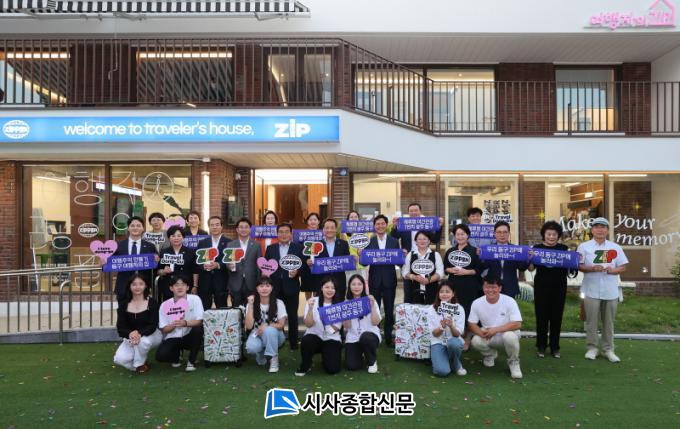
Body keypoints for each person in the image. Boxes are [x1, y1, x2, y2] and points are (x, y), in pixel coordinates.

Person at [577, 217, 628, 363]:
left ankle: (608, 350)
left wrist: (612, 270)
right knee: (591, 321)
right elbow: (579, 265)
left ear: (607, 230)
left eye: (603, 227)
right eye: (597, 226)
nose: (600, 229)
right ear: (592, 230)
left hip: (610, 290)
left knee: (609, 322)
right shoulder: (584, 247)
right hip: (590, 289)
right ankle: (592, 348)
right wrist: (592, 268)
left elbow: (623, 266)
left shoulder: (615, 247)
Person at [529, 220, 571, 358]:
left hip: (559, 287)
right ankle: (541, 346)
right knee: (541, 316)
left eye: (554, 234)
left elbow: (570, 267)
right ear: (544, 234)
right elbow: (531, 269)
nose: (551, 237)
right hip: (541, 286)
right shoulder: (537, 248)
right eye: (549, 234)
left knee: (556, 317)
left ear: (558, 235)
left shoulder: (564, 249)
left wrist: (575, 259)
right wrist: (530, 259)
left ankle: (555, 347)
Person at [468, 276, 523, 379]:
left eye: (493, 287)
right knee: (475, 341)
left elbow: (517, 324)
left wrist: (495, 330)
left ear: (500, 288)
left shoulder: (509, 301)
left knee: (510, 337)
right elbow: (471, 324)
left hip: (507, 333)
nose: (490, 290)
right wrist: (482, 334)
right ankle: (490, 355)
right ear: (483, 288)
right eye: (487, 287)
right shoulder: (477, 303)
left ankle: (513, 362)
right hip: (488, 334)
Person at [265, 223, 304, 350]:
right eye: (281, 232)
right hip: (275, 288)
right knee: (276, 315)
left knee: (292, 316)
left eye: (286, 231)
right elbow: (266, 267)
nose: (284, 234)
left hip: (291, 286)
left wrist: (297, 272)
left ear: (291, 234)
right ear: (277, 234)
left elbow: (304, 266)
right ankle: (278, 341)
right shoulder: (271, 248)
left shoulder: (298, 248)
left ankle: (294, 343)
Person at [443, 223, 482, 351]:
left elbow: (479, 269)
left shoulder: (475, 251)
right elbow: (445, 268)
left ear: (468, 235)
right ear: (454, 236)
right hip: (454, 286)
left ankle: (468, 338)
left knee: (469, 311)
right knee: (454, 310)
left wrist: (467, 271)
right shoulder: (450, 251)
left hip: (470, 286)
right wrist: (451, 269)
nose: (460, 236)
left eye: (462, 234)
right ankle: (456, 335)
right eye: (457, 234)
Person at [113, 275, 162, 373]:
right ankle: (139, 366)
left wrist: (139, 334)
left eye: (141, 284)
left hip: (151, 336)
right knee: (119, 359)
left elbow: (153, 325)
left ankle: (139, 364)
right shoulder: (124, 304)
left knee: (143, 342)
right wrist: (130, 334)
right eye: (134, 284)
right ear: (129, 286)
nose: (137, 287)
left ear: (146, 286)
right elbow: (120, 328)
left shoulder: (152, 303)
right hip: (131, 337)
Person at [364, 214, 400, 346]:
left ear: (386, 225)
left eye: (382, 223)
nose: (380, 226)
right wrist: (361, 254)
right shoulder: (369, 241)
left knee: (389, 310)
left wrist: (403, 255)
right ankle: (375, 335)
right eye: (377, 224)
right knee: (375, 309)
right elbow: (364, 262)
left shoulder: (394, 241)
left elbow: (398, 260)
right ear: (374, 226)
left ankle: (389, 337)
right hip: (374, 280)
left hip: (389, 280)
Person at [295, 277, 343, 376]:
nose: (330, 290)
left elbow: (336, 328)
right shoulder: (313, 301)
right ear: (321, 288)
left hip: (331, 338)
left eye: (333, 288)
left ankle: (326, 356)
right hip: (314, 336)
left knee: (332, 369)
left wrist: (326, 318)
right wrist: (310, 309)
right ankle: (306, 364)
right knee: (307, 340)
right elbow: (308, 324)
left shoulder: (339, 304)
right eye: (327, 287)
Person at [155, 274, 204, 372]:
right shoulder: (165, 305)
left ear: (188, 287)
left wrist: (185, 323)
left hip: (189, 335)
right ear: (171, 288)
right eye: (176, 285)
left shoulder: (195, 299)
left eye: (183, 284)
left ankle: (191, 361)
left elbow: (200, 321)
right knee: (160, 356)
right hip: (173, 336)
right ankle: (176, 357)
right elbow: (164, 329)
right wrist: (174, 324)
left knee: (197, 330)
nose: (180, 287)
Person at [245, 277, 287, 373]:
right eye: (261, 286)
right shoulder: (251, 303)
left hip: (276, 335)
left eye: (267, 286)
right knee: (251, 347)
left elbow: (281, 325)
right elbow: (249, 326)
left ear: (271, 288)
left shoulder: (278, 303)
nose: (264, 289)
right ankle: (261, 353)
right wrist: (250, 305)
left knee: (269, 330)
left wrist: (267, 326)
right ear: (257, 288)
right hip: (257, 333)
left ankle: (273, 358)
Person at [112, 216, 158, 304]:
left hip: (143, 287)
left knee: (142, 312)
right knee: (123, 311)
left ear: (143, 228)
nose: (135, 228)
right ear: (128, 228)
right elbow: (109, 263)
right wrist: (103, 261)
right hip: (123, 286)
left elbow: (156, 264)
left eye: (138, 225)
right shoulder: (118, 245)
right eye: (132, 226)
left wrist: (156, 260)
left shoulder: (150, 246)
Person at [343, 274, 381, 373]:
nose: (356, 287)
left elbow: (376, 322)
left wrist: (372, 307)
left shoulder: (370, 300)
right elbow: (346, 326)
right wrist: (347, 313)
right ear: (349, 286)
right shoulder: (346, 302)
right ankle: (362, 353)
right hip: (353, 337)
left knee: (366, 337)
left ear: (364, 286)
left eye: (359, 284)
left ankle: (372, 362)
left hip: (370, 335)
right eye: (353, 284)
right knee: (352, 365)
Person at [481, 221, 528, 299]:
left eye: (505, 232)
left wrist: (527, 258)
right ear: (494, 234)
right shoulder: (488, 249)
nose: (502, 235)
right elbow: (483, 266)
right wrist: (480, 256)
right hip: (492, 286)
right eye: (499, 232)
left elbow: (522, 268)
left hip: (510, 286)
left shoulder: (516, 250)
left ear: (509, 233)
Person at [428, 282, 466, 377]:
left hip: (453, 340)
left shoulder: (459, 309)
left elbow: (457, 334)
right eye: (441, 292)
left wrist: (451, 326)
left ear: (453, 294)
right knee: (442, 372)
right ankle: (446, 361)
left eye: (447, 291)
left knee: (454, 343)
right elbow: (434, 334)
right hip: (438, 341)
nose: (444, 294)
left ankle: (455, 364)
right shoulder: (431, 309)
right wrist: (442, 327)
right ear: (438, 294)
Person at [307, 218, 351, 299]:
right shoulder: (315, 244)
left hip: (339, 284)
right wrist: (310, 264)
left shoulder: (344, 244)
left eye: (332, 227)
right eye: (327, 228)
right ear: (323, 229)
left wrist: (353, 260)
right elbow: (312, 266)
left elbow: (347, 263)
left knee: (338, 306)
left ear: (336, 229)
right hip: (321, 284)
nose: (329, 230)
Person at [195, 216, 231, 310]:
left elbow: (230, 261)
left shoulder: (229, 242)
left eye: (217, 225)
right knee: (204, 309)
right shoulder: (202, 242)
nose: (214, 227)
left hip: (222, 281)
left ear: (221, 226)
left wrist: (218, 265)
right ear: (209, 227)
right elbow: (197, 261)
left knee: (222, 310)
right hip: (205, 282)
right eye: (212, 225)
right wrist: (203, 266)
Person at [225, 217, 262, 307]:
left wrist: (258, 283)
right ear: (237, 230)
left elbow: (259, 265)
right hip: (235, 282)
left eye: (246, 227)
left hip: (251, 283)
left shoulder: (256, 245)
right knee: (236, 309)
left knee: (251, 309)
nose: (243, 229)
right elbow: (227, 263)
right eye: (241, 227)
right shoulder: (230, 245)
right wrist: (229, 266)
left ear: (250, 229)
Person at [401, 231, 444, 304]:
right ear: (416, 242)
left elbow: (440, 273)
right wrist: (414, 277)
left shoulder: (436, 255)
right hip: (414, 291)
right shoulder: (410, 255)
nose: (422, 241)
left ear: (429, 241)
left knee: (432, 310)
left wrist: (428, 280)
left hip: (432, 290)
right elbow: (404, 272)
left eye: (424, 239)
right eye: (419, 239)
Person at [156, 225, 197, 301]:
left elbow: (195, 270)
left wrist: (195, 286)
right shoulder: (164, 252)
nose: (176, 238)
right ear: (169, 238)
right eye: (173, 236)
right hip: (169, 287)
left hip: (186, 286)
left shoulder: (190, 252)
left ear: (183, 237)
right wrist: (164, 271)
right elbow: (158, 270)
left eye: (179, 236)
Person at [300, 212, 321, 301]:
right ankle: (308, 307)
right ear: (307, 222)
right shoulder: (301, 235)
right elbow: (298, 250)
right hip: (306, 267)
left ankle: (315, 308)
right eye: (310, 219)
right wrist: (305, 260)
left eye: (315, 219)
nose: (313, 221)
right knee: (307, 289)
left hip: (319, 266)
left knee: (317, 289)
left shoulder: (323, 234)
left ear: (318, 221)